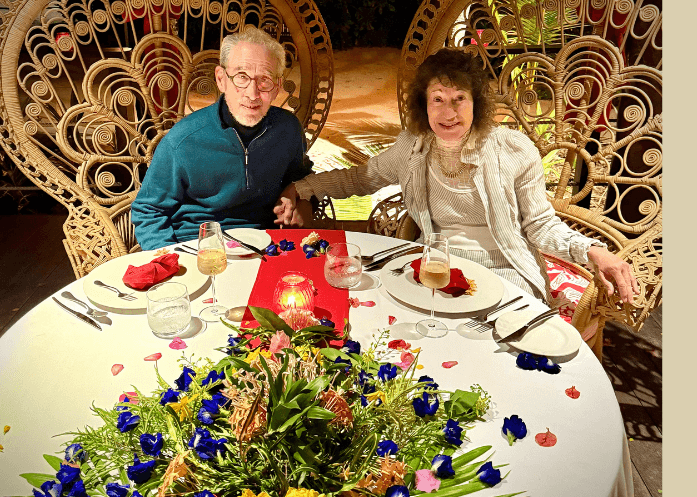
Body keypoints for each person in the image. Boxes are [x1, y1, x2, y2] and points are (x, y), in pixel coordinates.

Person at [274, 49, 638, 305]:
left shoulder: (512, 149)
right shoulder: (413, 147)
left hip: (506, 269)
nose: (448, 112)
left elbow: (540, 226)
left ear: (476, 103)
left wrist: (592, 251)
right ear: (423, 104)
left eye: (459, 98)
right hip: (438, 266)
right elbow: (358, 180)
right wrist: (300, 188)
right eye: (437, 99)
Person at [131, 26, 313, 248]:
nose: (252, 94)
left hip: (268, 248)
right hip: (199, 249)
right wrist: (172, 260)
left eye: (264, 80)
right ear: (221, 79)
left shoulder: (288, 129)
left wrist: (302, 203)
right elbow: (148, 210)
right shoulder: (184, 140)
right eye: (241, 77)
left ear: (277, 87)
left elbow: (304, 181)